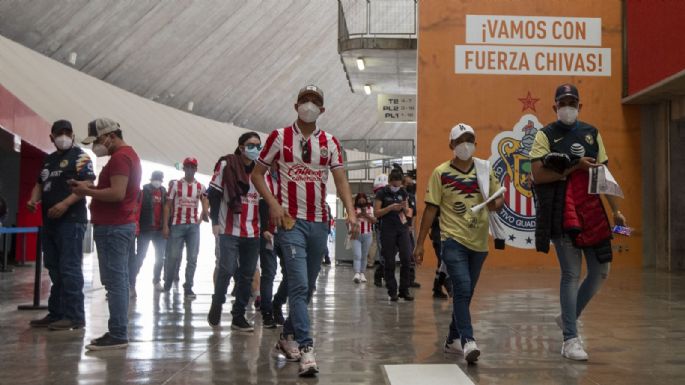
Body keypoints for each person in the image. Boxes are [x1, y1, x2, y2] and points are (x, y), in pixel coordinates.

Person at [252, 85, 357, 377]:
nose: (310, 105)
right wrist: (273, 204)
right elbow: (257, 174)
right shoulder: (279, 137)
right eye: (305, 100)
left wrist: (350, 211)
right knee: (298, 285)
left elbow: (341, 179)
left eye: (316, 102)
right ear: (295, 105)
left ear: (322, 110)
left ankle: (286, 337)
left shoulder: (330, 142)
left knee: (308, 286)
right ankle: (306, 347)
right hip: (290, 222)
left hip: (319, 223)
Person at [530, 83, 626, 361]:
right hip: (563, 212)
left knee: (601, 270)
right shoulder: (545, 135)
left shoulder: (592, 133)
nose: (568, 108)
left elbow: (603, 174)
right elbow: (538, 176)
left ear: (580, 106)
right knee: (571, 274)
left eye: (572, 103)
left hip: (593, 213)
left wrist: (616, 211)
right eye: (563, 103)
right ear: (554, 106)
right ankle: (570, 339)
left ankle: (567, 317)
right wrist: (575, 166)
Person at [413, 123, 504, 363]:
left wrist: (497, 203)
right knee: (462, 288)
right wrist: (420, 243)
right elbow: (431, 209)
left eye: (470, 139)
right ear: (451, 145)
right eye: (461, 139)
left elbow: (498, 199)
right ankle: (468, 341)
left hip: (479, 242)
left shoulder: (484, 169)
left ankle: (452, 339)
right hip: (452, 240)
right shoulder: (440, 173)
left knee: (466, 292)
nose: (466, 144)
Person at [72, 118, 141, 350]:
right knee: (116, 280)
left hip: (114, 227)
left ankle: (119, 333)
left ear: (110, 136)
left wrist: (87, 191)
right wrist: (88, 189)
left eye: (98, 141)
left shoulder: (121, 158)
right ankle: (117, 331)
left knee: (116, 282)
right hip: (116, 226)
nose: (95, 146)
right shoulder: (125, 156)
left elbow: (117, 194)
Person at [27, 120, 95, 331]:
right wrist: (32, 200)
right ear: (51, 137)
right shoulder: (49, 160)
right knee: (54, 268)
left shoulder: (80, 156)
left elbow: (89, 184)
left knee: (69, 268)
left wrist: (65, 204)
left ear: (73, 135)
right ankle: (56, 313)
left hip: (71, 221)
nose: (64, 136)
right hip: (49, 223)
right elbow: (40, 184)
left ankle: (75, 316)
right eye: (59, 133)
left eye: (67, 133)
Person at [207, 132, 264, 331]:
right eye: (251, 145)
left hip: (252, 231)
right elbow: (213, 193)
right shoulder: (226, 165)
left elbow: (265, 201)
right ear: (241, 147)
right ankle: (217, 300)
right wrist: (215, 222)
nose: (255, 149)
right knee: (226, 268)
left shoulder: (260, 171)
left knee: (247, 275)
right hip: (228, 229)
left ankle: (238, 315)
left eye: (258, 145)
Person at [162, 157, 209, 299]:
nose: (190, 169)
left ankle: (188, 287)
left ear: (196, 169)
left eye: (192, 167)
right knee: (172, 256)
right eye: (187, 166)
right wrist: (165, 226)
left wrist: (204, 212)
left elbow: (205, 200)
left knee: (192, 258)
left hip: (193, 227)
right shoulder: (176, 185)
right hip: (177, 225)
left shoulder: (200, 186)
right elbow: (168, 206)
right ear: (184, 168)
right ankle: (168, 282)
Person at [374, 169, 414, 302]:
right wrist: (391, 207)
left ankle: (404, 289)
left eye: (399, 185)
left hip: (402, 228)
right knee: (390, 261)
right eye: (394, 185)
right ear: (390, 182)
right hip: (387, 229)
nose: (397, 188)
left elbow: (408, 211)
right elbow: (376, 213)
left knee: (407, 258)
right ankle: (392, 290)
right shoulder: (381, 193)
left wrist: (404, 208)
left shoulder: (404, 192)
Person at [134, 171, 167, 292]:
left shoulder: (164, 192)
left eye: (159, 179)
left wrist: (166, 227)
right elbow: (137, 209)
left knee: (160, 258)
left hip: (159, 231)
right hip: (145, 230)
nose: (157, 181)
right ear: (151, 179)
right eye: (156, 179)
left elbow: (167, 209)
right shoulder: (143, 191)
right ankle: (131, 282)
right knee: (140, 256)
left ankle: (156, 280)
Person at [350, 193, 376, 284]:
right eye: (359, 199)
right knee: (357, 255)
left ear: (366, 200)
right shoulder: (352, 209)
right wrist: (358, 215)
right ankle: (357, 273)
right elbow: (348, 220)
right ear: (357, 200)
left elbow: (374, 221)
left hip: (367, 234)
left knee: (364, 255)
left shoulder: (371, 209)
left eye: (363, 198)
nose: (362, 200)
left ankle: (362, 273)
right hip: (356, 234)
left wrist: (366, 215)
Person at [403, 173, 421, 288]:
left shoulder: (412, 197)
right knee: (392, 254)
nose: (411, 185)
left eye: (412, 184)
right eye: (409, 184)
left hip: (409, 229)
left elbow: (414, 213)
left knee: (411, 255)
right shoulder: (402, 195)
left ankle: (410, 279)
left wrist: (412, 226)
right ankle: (380, 275)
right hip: (400, 228)